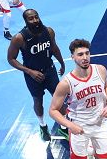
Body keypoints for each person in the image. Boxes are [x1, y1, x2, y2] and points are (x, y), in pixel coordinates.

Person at [48, 38, 107, 159]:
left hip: (100, 123)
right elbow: (53, 111)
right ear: (73, 57)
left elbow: (106, 86)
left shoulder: (100, 70)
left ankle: (90, 151)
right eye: (80, 54)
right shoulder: (66, 83)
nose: (84, 57)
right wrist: (70, 125)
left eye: (87, 53)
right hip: (80, 127)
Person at [7, 9, 66, 142]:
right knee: (38, 101)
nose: (35, 20)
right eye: (31, 18)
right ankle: (42, 125)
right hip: (33, 75)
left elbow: (54, 48)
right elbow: (11, 59)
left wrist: (62, 63)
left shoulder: (49, 31)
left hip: (50, 70)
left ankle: (63, 127)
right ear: (26, 21)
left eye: (36, 17)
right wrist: (29, 71)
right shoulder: (19, 38)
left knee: (60, 100)